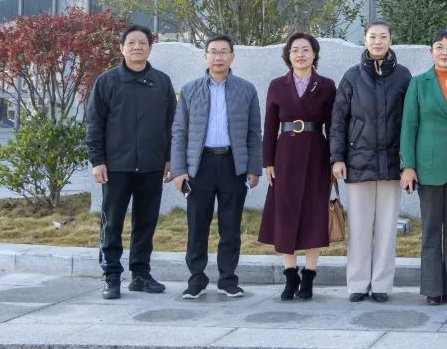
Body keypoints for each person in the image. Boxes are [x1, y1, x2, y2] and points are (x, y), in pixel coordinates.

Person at [86, 24, 176, 300]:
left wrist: (169, 158)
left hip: (151, 166)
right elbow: (94, 124)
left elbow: (172, 124)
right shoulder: (107, 81)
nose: (137, 47)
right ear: (121, 48)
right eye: (131, 43)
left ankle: (140, 275)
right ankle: (111, 276)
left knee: (146, 223)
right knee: (111, 223)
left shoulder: (162, 82)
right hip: (116, 168)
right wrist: (97, 160)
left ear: (150, 48)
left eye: (143, 43)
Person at [171, 34, 262, 300]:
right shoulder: (190, 90)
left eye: (224, 52)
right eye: (213, 51)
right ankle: (196, 279)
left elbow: (254, 133)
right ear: (205, 56)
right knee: (197, 225)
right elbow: (179, 132)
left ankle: (228, 279)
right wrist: (179, 170)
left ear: (233, 56)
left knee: (230, 226)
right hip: (200, 165)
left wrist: (253, 168)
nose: (218, 57)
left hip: (233, 164)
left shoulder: (247, 90)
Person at [329, 20, 412, 303]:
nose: (378, 41)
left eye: (383, 36)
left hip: (392, 162)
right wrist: (337, 157)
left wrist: (408, 162)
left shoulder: (403, 76)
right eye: (373, 36)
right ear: (365, 40)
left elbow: (410, 121)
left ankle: (381, 285)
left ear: (391, 40)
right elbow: (338, 121)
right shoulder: (352, 77)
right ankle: (357, 283)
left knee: (387, 227)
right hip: (358, 160)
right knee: (359, 227)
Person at [400, 29, 447, 306]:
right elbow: (409, 126)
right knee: (431, 229)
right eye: (440, 47)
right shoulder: (418, 83)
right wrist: (408, 166)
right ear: (430, 51)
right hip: (427, 166)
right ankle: (432, 289)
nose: (445, 52)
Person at [258, 32, 337, 301]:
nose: (300, 54)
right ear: (288, 55)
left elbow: (334, 127)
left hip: (317, 154)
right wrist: (268, 162)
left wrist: (335, 159)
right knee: (285, 213)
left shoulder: (326, 85)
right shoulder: (277, 85)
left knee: (315, 213)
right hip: (285, 155)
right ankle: (290, 275)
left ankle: (309, 275)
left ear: (314, 54)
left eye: (305, 50)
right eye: (295, 50)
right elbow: (269, 127)